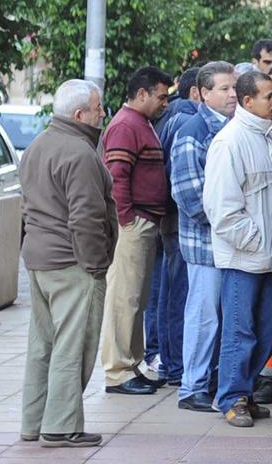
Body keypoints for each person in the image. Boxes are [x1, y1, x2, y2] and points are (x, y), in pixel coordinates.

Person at [19, 80, 117, 448]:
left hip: (40, 259)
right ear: (80, 115)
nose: (102, 113)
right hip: (72, 264)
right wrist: (96, 265)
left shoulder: (38, 145)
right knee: (71, 347)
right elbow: (87, 219)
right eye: (98, 107)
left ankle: (33, 422)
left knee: (42, 345)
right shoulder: (79, 153)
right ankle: (61, 427)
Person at [203, 71, 272, 428]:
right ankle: (231, 397)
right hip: (243, 258)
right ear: (248, 101)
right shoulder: (230, 142)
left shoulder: (269, 139)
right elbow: (221, 209)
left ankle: (245, 391)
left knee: (269, 327)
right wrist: (253, 242)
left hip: (271, 257)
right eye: (268, 96)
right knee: (241, 330)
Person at [99, 66, 173, 396]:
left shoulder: (140, 123)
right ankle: (117, 371)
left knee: (136, 300)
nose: (165, 103)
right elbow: (116, 177)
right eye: (160, 96)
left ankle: (131, 364)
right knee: (123, 299)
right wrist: (127, 219)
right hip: (134, 224)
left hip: (143, 222)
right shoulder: (127, 125)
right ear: (141, 94)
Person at [170, 61, 238, 411]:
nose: (232, 94)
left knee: (224, 318)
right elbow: (189, 197)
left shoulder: (234, 126)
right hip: (206, 245)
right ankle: (191, 387)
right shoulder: (193, 131)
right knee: (203, 316)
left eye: (234, 87)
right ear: (204, 93)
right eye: (224, 89)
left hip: (232, 245)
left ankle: (211, 381)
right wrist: (234, 221)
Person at [146, 65, 203, 387]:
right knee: (177, 293)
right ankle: (174, 364)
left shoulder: (169, 119)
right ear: (198, 93)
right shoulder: (185, 122)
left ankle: (168, 362)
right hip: (178, 221)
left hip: (167, 219)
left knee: (166, 291)